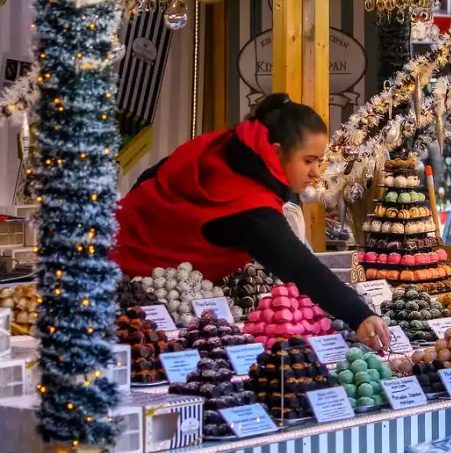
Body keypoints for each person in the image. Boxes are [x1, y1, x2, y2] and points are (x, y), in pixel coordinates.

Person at [114, 93, 390, 349]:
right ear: (278, 151)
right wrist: (358, 313)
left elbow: (152, 175)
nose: (316, 173)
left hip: (119, 234)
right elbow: (299, 266)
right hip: (135, 274)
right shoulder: (247, 206)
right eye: (309, 161)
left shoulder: (230, 145)